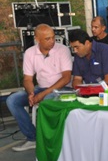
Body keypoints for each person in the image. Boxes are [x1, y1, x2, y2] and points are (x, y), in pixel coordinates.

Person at [7, 24, 72, 152]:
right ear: (37, 39)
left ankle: (51, 139)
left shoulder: (63, 50)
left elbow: (66, 78)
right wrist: (31, 93)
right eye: (47, 39)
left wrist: (42, 95)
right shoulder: (30, 53)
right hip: (40, 88)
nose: (52, 41)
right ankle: (33, 138)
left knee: (47, 99)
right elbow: (27, 79)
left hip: (62, 89)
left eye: (53, 37)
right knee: (12, 101)